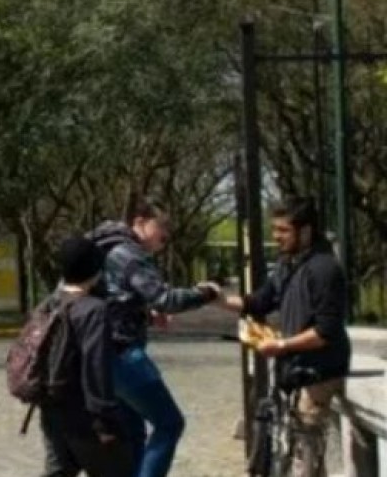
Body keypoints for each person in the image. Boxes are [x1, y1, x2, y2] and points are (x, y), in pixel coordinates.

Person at [88, 196, 221, 477]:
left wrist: (145, 314)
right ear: (139, 222)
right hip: (123, 354)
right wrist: (206, 293)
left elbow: (113, 301)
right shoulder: (128, 253)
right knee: (170, 423)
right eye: (162, 226)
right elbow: (165, 298)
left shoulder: (107, 248)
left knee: (133, 433)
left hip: (103, 353)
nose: (166, 235)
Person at [220, 196, 350, 477]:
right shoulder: (288, 265)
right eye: (275, 230)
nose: (276, 237)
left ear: (305, 231)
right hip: (292, 373)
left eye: (283, 230)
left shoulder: (325, 270)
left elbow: (326, 331)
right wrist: (215, 299)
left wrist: (282, 345)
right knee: (294, 460)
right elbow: (259, 302)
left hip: (318, 376)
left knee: (307, 462)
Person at [39, 236, 136, 477]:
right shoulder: (93, 309)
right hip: (83, 416)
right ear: (95, 270)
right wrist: (106, 421)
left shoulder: (48, 304)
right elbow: (95, 368)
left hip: (50, 409)